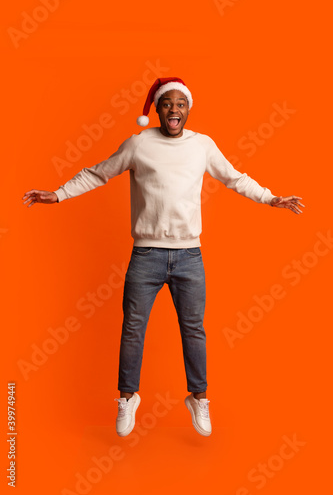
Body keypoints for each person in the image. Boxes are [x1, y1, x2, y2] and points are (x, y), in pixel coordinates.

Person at [22, 77, 304, 438]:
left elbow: (235, 178)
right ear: (157, 109)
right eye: (167, 103)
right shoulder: (139, 145)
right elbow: (99, 173)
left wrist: (271, 198)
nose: (174, 109)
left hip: (189, 256)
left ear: (188, 109)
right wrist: (59, 194)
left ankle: (198, 398)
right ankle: (127, 398)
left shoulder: (202, 146)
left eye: (181, 104)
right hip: (146, 255)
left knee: (194, 331)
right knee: (133, 330)